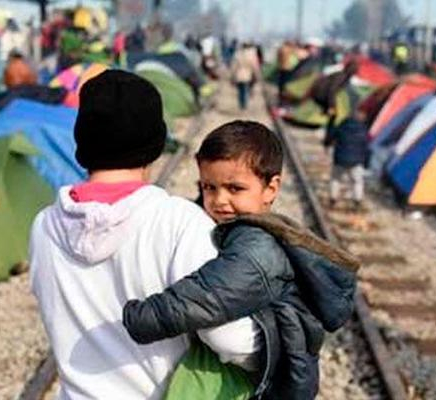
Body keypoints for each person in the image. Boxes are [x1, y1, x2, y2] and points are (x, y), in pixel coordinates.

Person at [29, 70, 258, 400]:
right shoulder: (179, 222)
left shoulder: (43, 226)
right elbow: (228, 339)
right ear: (154, 146)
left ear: (83, 143)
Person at [123, 121, 359, 399]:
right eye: (209, 187)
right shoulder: (250, 231)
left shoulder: (257, 246)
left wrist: (141, 316)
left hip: (257, 380)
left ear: (271, 188)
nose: (219, 200)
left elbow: (207, 296)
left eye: (234, 189)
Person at [230, 43, 260, 110]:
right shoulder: (251, 55)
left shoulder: (237, 54)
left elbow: (234, 66)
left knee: (240, 90)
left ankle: (241, 104)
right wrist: (256, 74)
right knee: (245, 89)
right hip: (247, 74)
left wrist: (232, 75)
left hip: (239, 74)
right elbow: (254, 66)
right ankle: (244, 104)